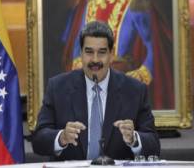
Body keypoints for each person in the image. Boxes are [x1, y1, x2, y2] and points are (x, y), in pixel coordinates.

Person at [62, 0, 174, 109]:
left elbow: (155, 50)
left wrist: (138, 78)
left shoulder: (136, 4)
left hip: (123, 89)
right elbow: (76, 54)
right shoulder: (86, 5)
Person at [32, 21, 160, 161]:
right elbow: (38, 140)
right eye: (89, 52)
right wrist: (61, 137)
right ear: (80, 53)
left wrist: (134, 139)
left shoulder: (135, 90)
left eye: (102, 53)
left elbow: (154, 145)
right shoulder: (58, 87)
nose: (95, 60)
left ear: (111, 55)